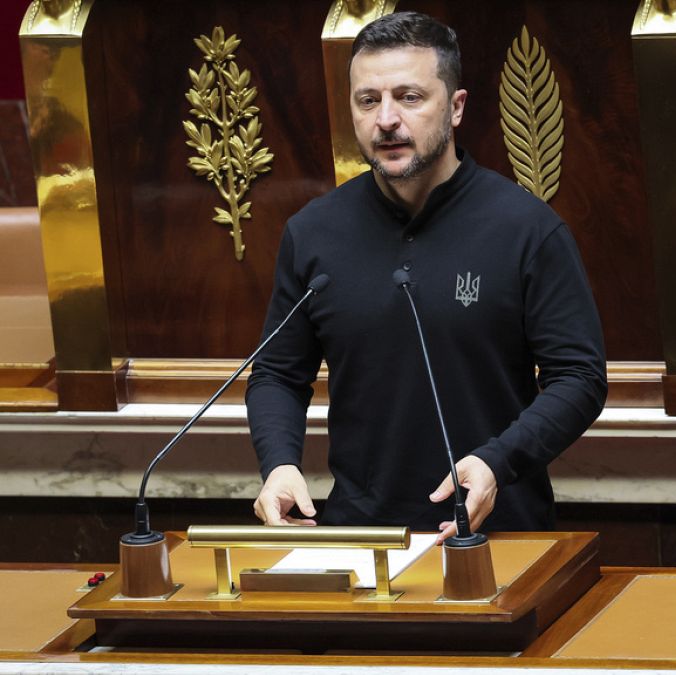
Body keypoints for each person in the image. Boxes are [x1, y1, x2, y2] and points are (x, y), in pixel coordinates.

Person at [245, 11, 607, 543]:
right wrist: (278, 464)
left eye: (409, 97)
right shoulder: (314, 233)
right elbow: (277, 373)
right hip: (361, 538)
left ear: (456, 107)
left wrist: (496, 462)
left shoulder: (527, 229)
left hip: (496, 532)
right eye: (368, 101)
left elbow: (579, 377)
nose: (386, 119)